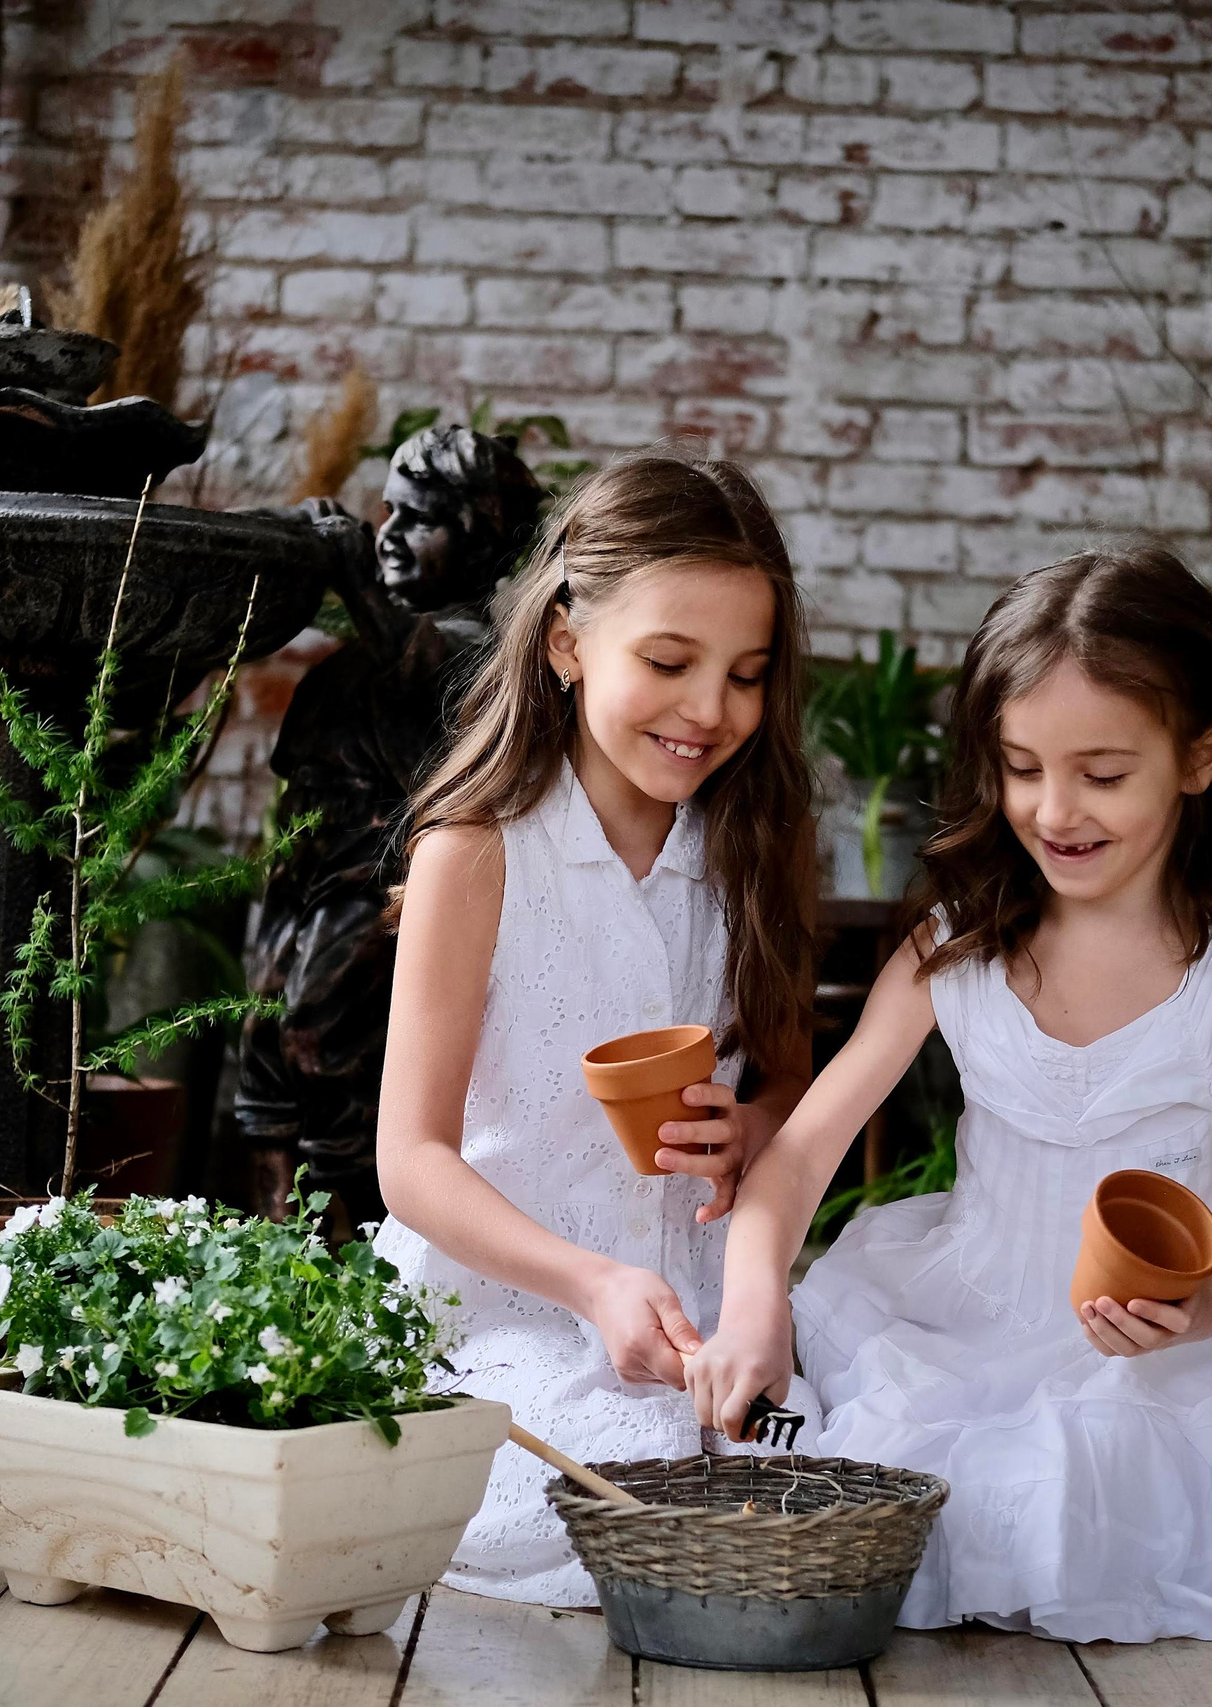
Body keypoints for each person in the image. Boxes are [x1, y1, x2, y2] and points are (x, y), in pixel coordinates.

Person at [686, 545, 1212, 1643]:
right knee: (878, 1502)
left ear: (1199, 757)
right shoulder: (952, 951)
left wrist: (1202, 1307)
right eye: (1020, 767)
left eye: (1103, 774)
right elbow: (799, 1160)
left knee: (1081, 1509)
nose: (1055, 811)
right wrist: (758, 1306)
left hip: (1156, 1370)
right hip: (955, 1325)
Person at [372, 451, 820, 1605]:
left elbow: (788, 1083)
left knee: (803, 1491)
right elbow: (410, 1162)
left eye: (746, 674)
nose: (709, 711)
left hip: (703, 1306)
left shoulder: (750, 853)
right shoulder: (475, 855)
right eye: (668, 662)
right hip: (514, 1311)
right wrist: (590, 1286)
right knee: (580, 1520)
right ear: (568, 643)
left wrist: (752, 1125)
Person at [235, 426, 545, 1232]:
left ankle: (354, 1249)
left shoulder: (485, 662)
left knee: (322, 1045)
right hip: (306, 879)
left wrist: (350, 574)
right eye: (387, 514)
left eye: (419, 520)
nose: (389, 537)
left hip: (390, 889)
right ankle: (273, 1239)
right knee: (264, 1048)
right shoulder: (355, 663)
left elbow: (431, 713)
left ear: (479, 541)